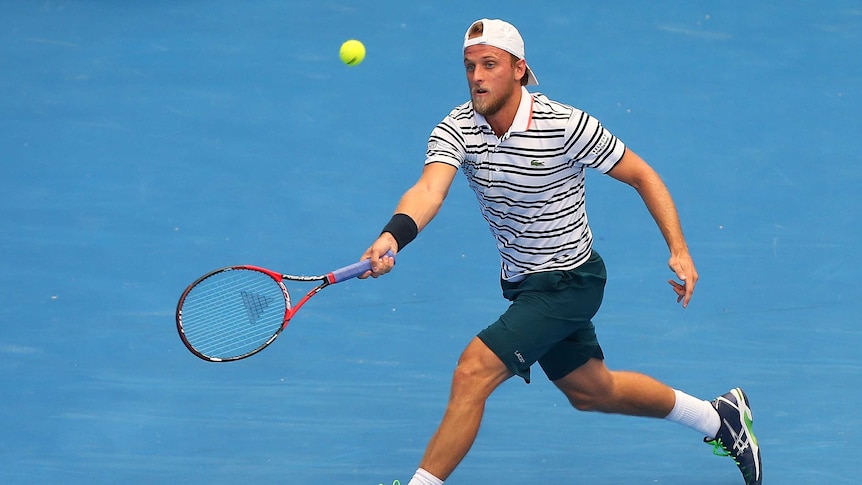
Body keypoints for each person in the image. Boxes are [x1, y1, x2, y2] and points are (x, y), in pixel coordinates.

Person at [363, 18, 761, 485]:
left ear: (519, 69)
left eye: (490, 65)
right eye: (470, 66)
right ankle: (719, 419)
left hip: (570, 281)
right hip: (525, 283)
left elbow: (642, 175)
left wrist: (679, 248)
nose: (477, 77)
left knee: (472, 373)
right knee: (592, 390)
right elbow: (428, 190)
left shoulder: (565, 124)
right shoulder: (457, 128)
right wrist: (393, 236)